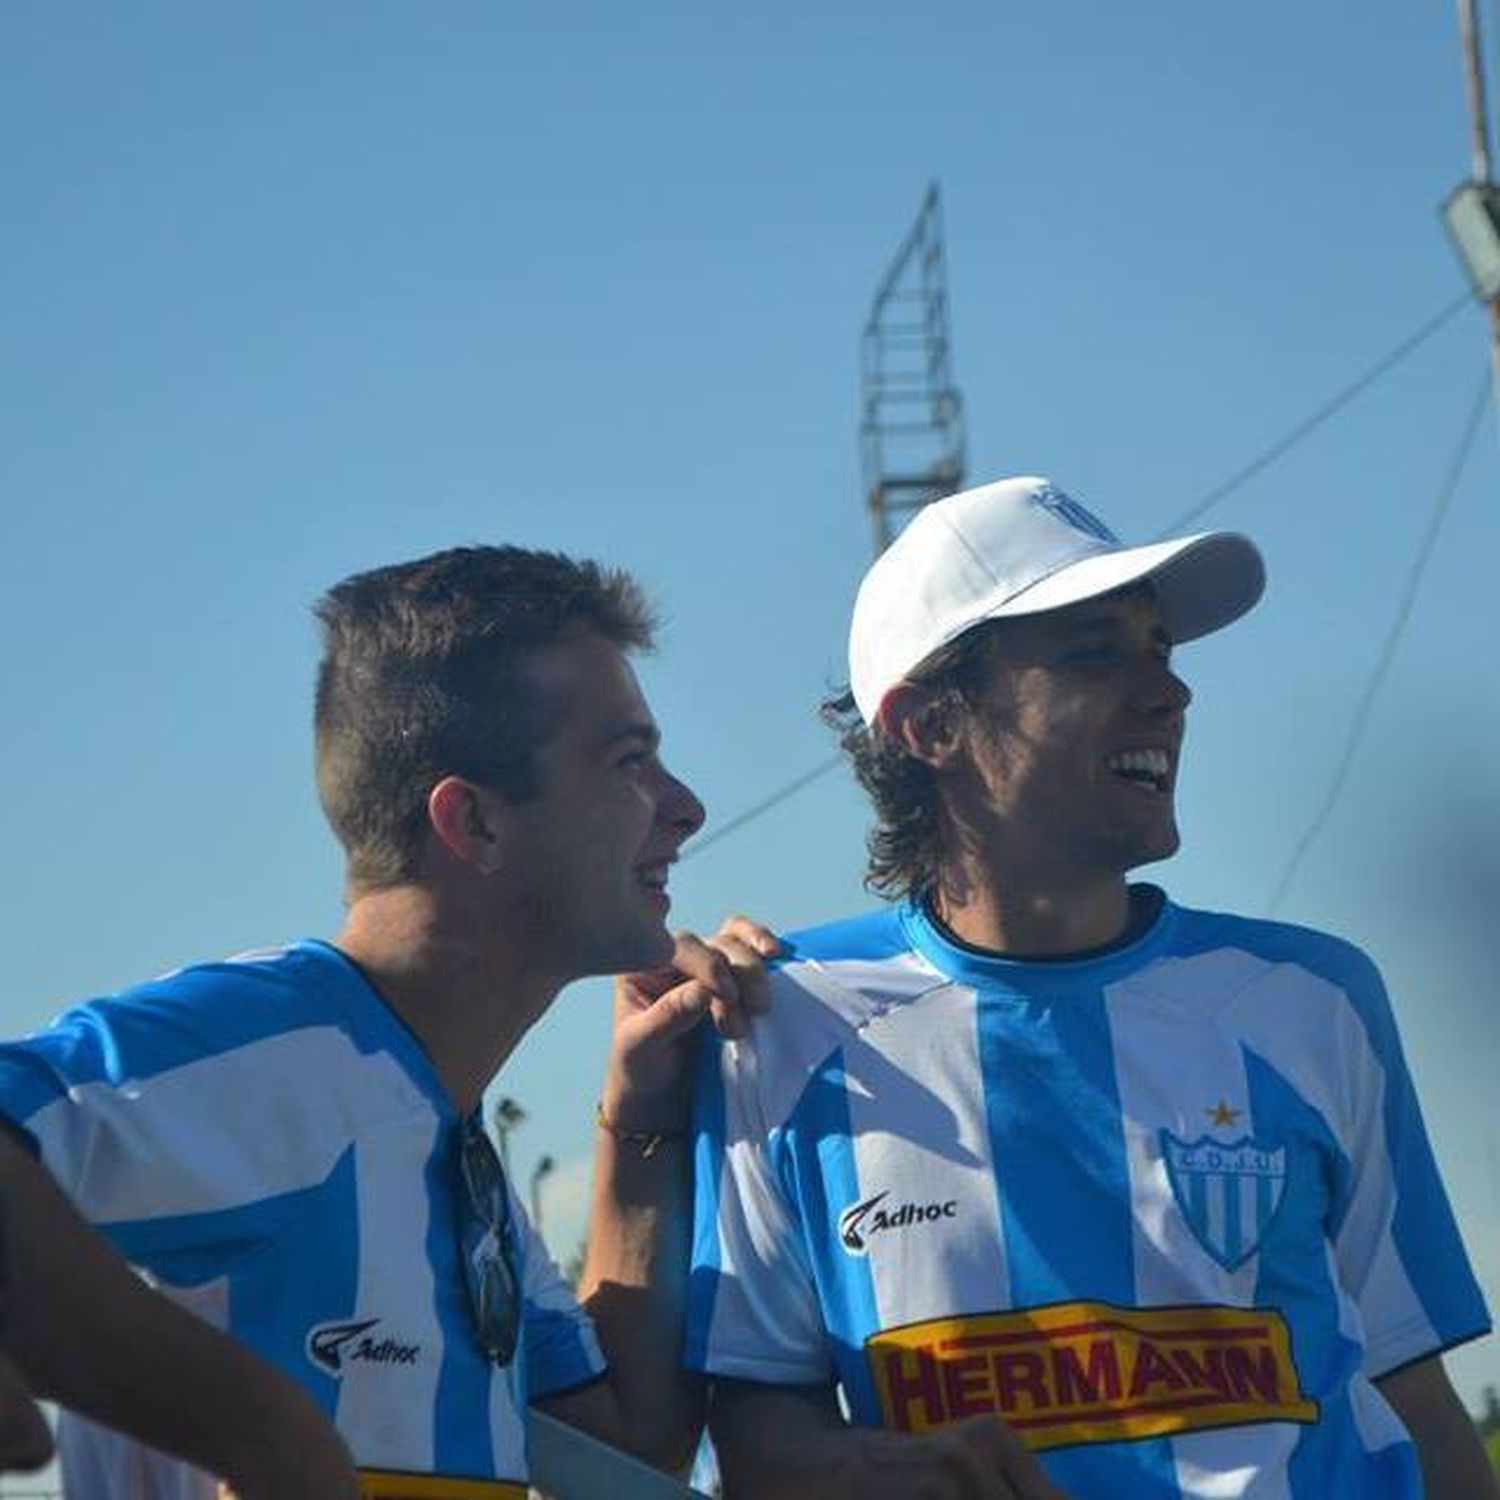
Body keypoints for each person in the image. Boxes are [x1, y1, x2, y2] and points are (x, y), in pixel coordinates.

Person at [687, 476, 1493, 1498]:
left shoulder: (1313, 999)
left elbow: (1416, 1398)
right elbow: (756, 1439)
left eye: (1161, 648)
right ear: (931, 727)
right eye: (1097, 653)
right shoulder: (780, 1024)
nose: (1170, 691)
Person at [0, 544, 763, 1496]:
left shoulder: (439, 1119)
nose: (685, 808)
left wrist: (646, 1111)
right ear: (473, 823)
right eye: (630, 761)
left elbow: (624, 1449)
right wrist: (266, 1433)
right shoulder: (282, 1058)